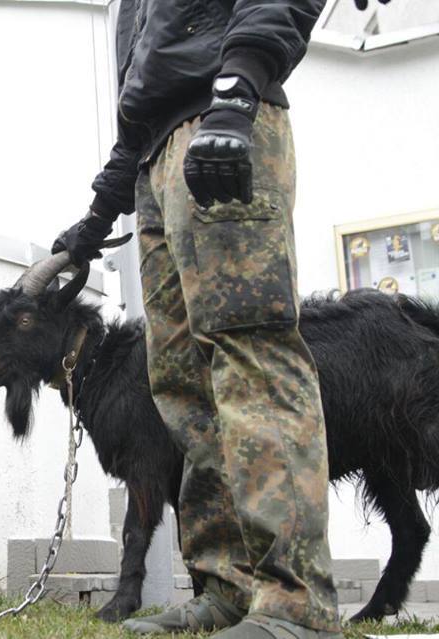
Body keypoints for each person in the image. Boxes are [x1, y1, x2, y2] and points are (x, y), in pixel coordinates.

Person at [52, 2, 340, 638]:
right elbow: (142, 100)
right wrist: (98, 219)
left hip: (221, 123)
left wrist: (237, 95)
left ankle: (296, 603)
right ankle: (229, 589)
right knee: (183, 385)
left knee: (250, 356)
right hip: (156, 161)